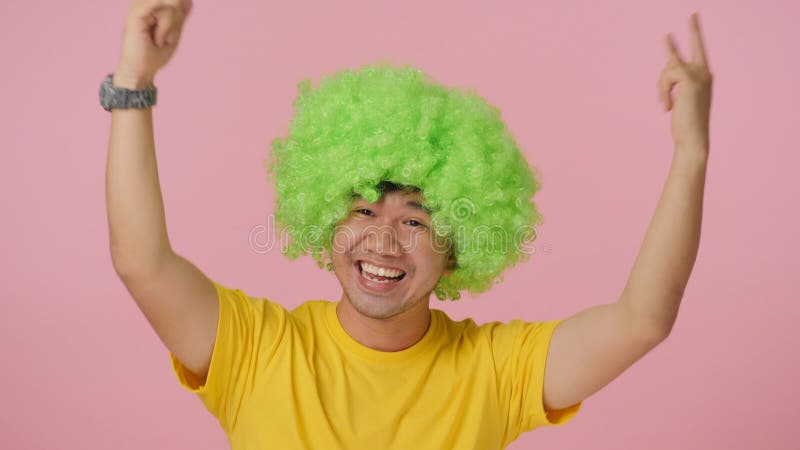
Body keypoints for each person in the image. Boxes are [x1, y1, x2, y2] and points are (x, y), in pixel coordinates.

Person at [104, 1, 713, 448]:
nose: (383, 240)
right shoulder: (259, 349)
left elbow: (642, 321)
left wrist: (691, 152)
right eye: (364, 209)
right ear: (327, 223)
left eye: (416, 220)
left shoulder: (495, 370)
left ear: (456, 246)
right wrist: (135, 80)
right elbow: (141, 262)